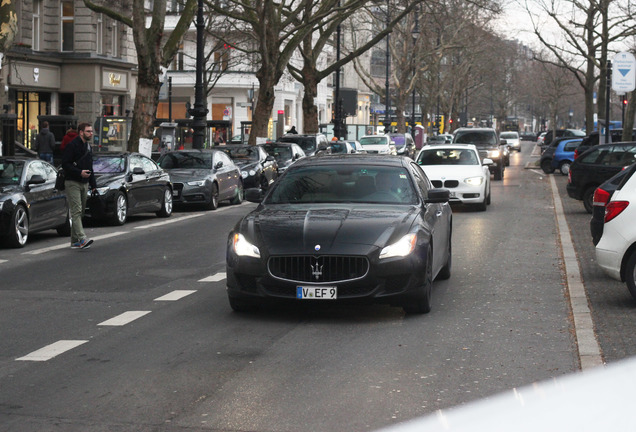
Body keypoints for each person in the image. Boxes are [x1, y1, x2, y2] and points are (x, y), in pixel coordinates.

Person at [62, 122, 97, 249]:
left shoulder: (88, 147)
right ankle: (82, 239)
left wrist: (93, 184)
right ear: (81, 132)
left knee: (81, 212)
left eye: (92, 131)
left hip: (84, 183)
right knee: (76, 211)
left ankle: (74, 241)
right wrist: (79, 172)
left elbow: (90, 166)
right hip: (72, 182)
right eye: (88, 131)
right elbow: (65, 164)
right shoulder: (72, 146)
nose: (91, 133)